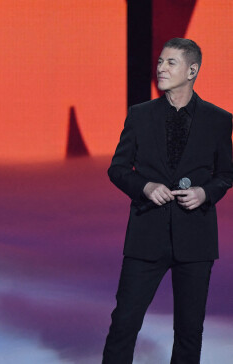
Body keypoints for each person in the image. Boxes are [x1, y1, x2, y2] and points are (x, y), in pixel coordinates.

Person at [103, 38, 233, 363]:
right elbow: (118, 169)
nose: (161, 68)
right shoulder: (139, 115)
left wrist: (205, 193)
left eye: (170, 63)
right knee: (124, 324)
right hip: (146, 236)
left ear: (192, 70)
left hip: (196, 240)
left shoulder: (219, 120)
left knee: (189, 332)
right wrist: (145, 186)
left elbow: (226, 174)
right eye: (160, 61)